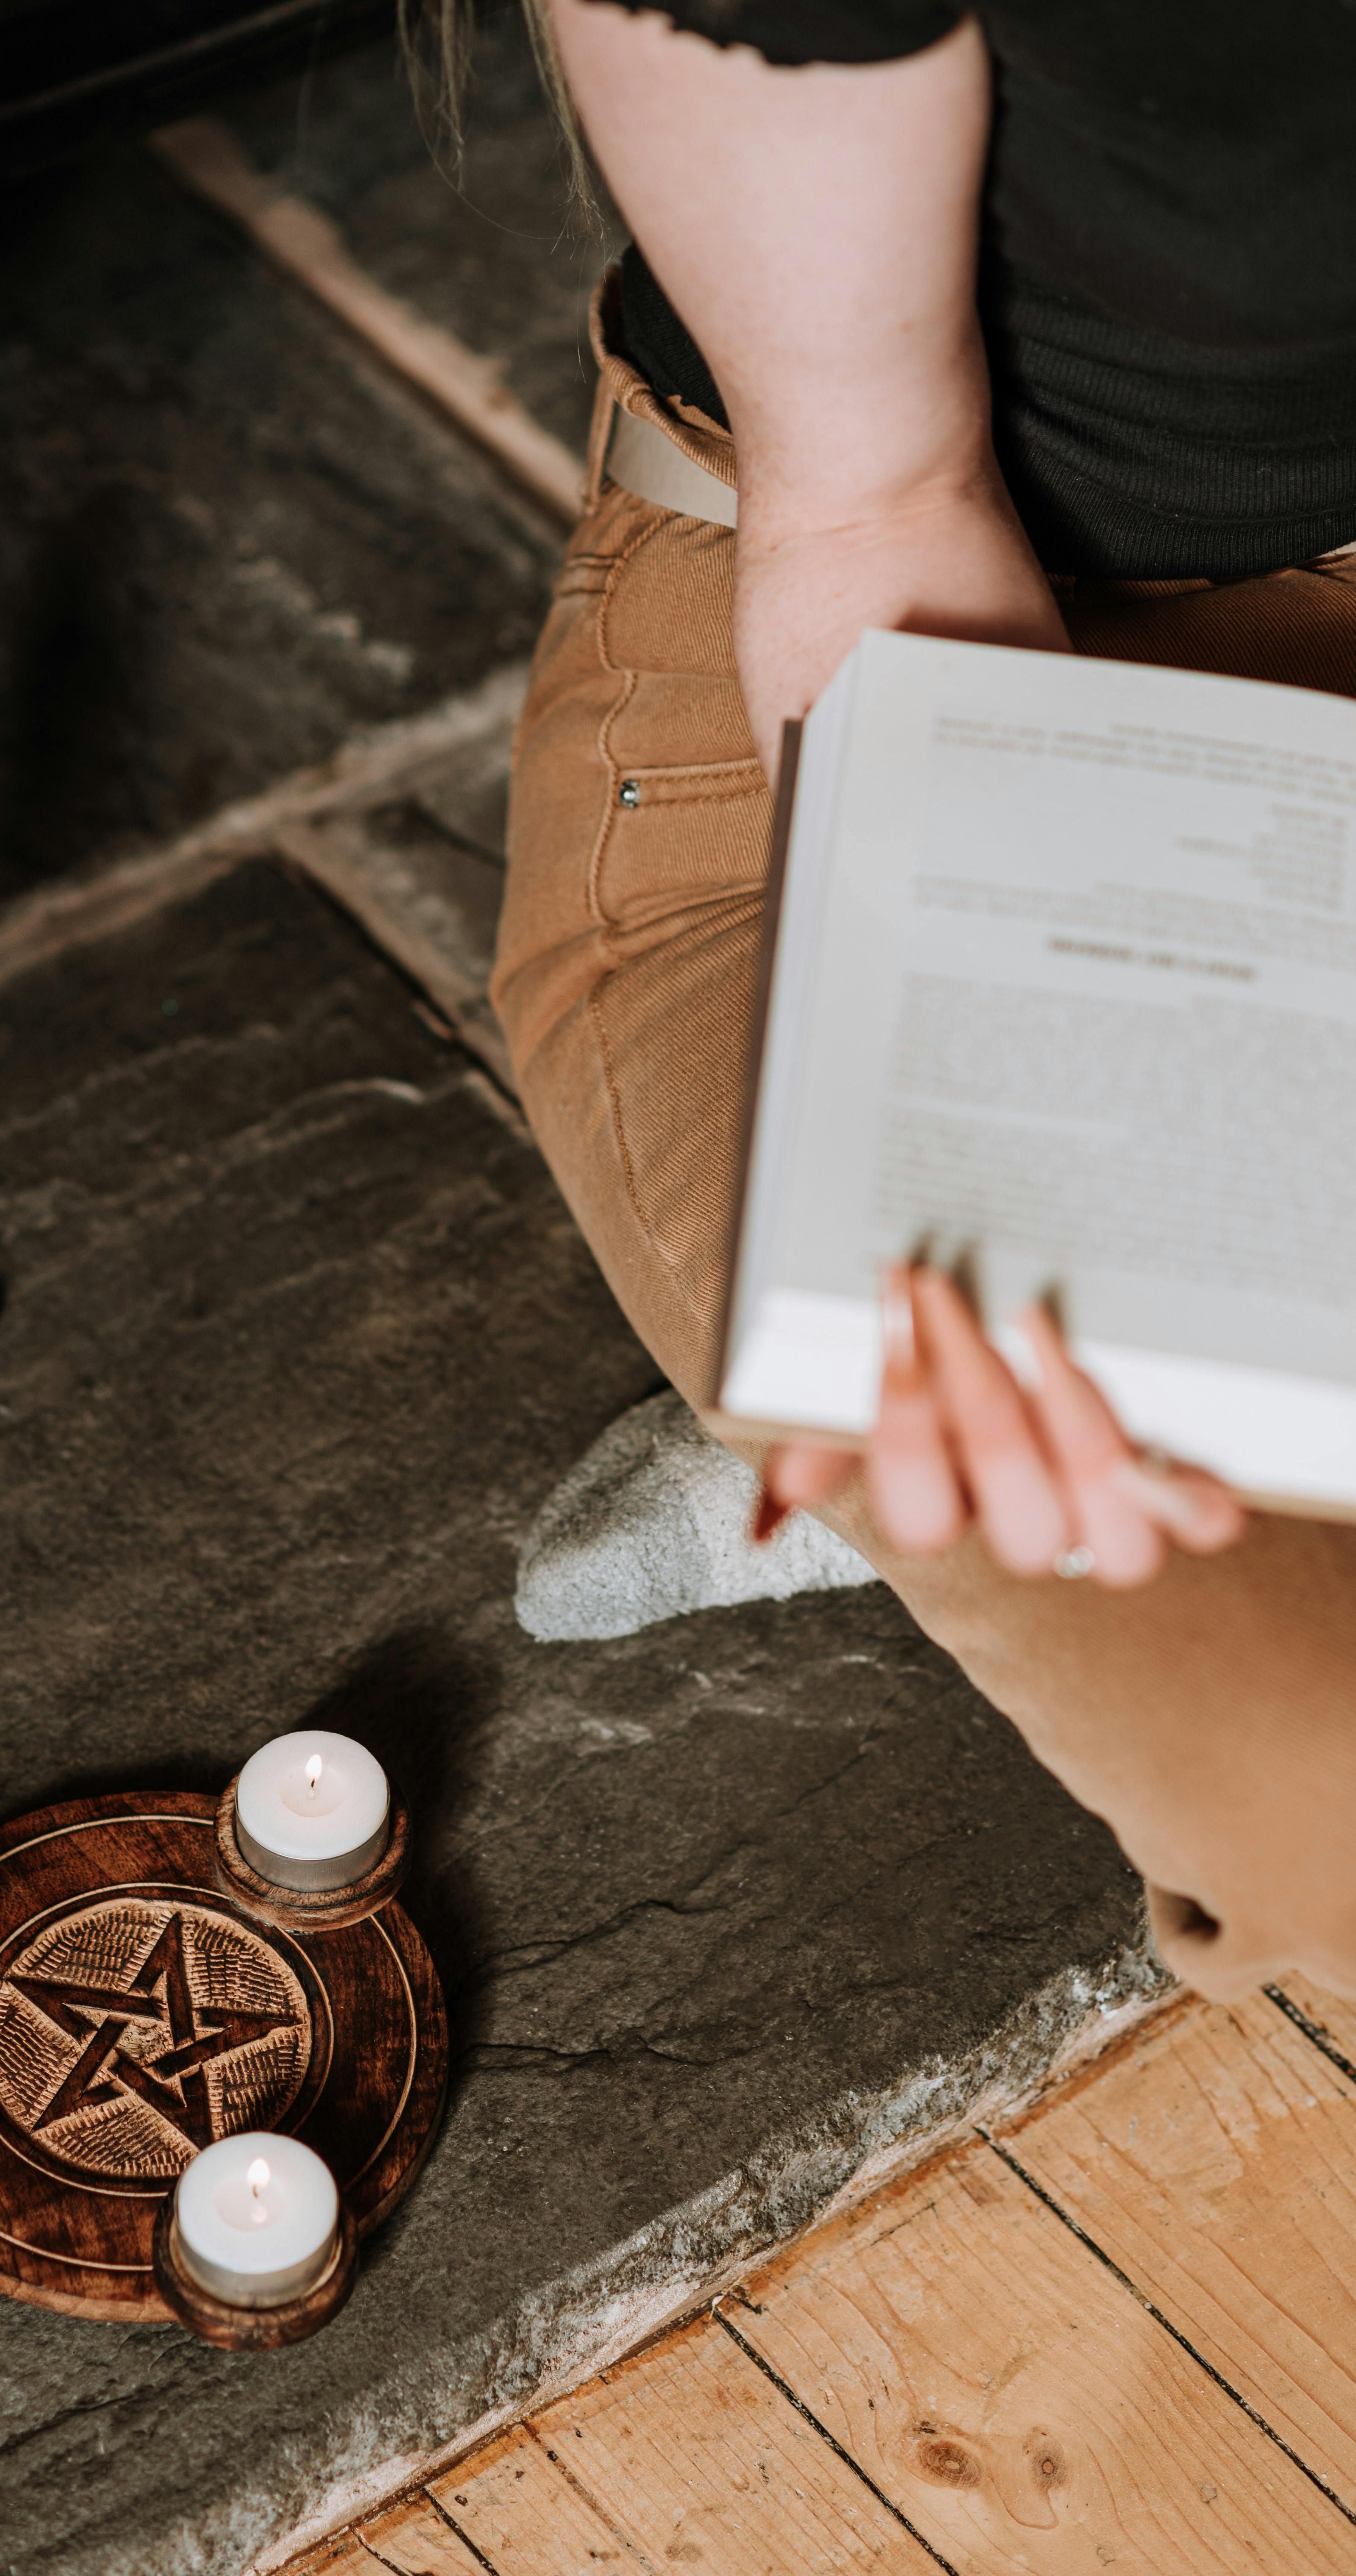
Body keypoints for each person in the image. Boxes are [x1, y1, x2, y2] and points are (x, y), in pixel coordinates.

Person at [470, 0, 1356, 2000]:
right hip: (942, 696)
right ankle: (864, 1403)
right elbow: (880, 520)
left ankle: (865, 1464)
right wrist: (993, 1151)